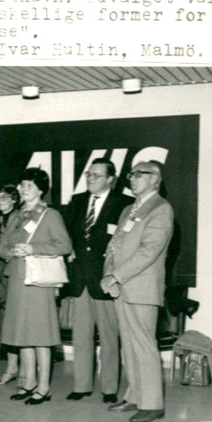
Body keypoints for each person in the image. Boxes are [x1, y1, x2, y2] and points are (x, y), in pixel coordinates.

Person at [101, 161, 174, 422]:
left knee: (143, 344)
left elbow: (149, 251)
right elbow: (114, 245)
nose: (131, 178)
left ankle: (153, 404)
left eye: (138, 174)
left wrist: (116, 275)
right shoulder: (128, 210)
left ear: (154, 179)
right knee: (129, 345)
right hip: (121, 286)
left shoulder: (161, 209)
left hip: (141, 287)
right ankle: (134, 396)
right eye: (130, 174)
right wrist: (108, 274)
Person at [0, 168, 72, 406]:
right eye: (21, 185)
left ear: (40, 190)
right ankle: (28, 382)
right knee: (22, 335)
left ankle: (44, 386)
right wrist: (9, 251)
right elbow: (1, 246)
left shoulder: (50, 215)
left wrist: (33, 249)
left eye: (28, 185)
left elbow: (64, 245)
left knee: (40, 336)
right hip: (18, 281)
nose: (22, 189)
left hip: (38, 282)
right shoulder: (16, 215)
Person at [64, 159, 133, 404]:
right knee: (81, 337)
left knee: (108, 338)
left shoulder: (125, 204)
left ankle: (109, 388)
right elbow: (68, 234)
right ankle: (81, 385)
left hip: (105, 281)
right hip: (80, 278)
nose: (90, 179)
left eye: (96, 175)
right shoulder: (78, 201)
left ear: (110, 179)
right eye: (88, 174)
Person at [0, 184, 23, 386]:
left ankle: (18, 369)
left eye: (4, 197)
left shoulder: (21, 218)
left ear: (14, 199)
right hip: (1, 276)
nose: (0, 201)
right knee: (6, 321)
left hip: (18, 273)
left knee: (17, 321)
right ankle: (12, 366)